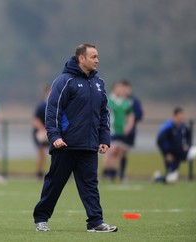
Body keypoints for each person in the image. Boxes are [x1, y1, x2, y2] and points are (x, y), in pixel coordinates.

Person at [33, 44, 117, 233]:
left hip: (89, 145)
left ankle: (95, 222)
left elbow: (103, 113)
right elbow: (52, 110)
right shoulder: (64, 81)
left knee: (90, 185)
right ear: (81, 58)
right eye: (93, 56)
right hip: (65, 145)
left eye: (97, 56)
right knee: (55, 183)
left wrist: (104, 138)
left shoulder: (98, 83)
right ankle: (41, 218)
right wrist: (54, 136)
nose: (97, 60)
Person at [102, 81, 134, 182]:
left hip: (121, 130)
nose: (121, 90)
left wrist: (129, 126)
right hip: (111, 129)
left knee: (118, 151)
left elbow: (130, 115)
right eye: (118, 88)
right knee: (111, 150)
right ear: (114, 89)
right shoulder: (108, 100)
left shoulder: (125, 101)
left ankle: (113, 173)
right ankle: (106, 172)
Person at [154, 107, 196, 184]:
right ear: (174, 116)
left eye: (182, 116)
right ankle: (158, 178)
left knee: (194, 151)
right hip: (173, 155)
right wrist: (167, 154)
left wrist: (188, 145)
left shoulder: (183, 126)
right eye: (179, 116)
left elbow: (188, 136)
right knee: (171, 180)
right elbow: (160, 141)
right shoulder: (168, 127)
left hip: (184, 152)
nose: (181, 118)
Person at [119, 80, 143, 181]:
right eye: (122, 88)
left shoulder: (133, 100)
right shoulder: (116, 99)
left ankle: (121, 174)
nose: (124, 90)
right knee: (115, 151)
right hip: (116, 130)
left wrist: (129, 120)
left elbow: (139, 114)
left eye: (126, 88)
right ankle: (110, 173)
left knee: (124, 152)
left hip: (129, 131)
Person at [32, 84, 51, 180]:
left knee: (56, 154)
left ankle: (55, 174)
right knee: (42, 152)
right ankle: (39, 174)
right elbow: (35, 120)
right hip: (41, 133)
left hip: (52, 133)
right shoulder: (41, 105)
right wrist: (43, 130)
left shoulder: (57, 105)